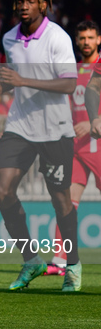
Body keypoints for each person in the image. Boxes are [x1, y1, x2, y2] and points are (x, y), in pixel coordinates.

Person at [0, 0, 80, 291]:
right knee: (2, 190)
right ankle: (31, 260)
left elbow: (68, 84)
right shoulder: (10, 37)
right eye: (19, 1)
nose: (23, 5)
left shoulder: (58, 38)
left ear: (42, 4)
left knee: (60, 200)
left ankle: (73, 265)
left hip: (55, 128)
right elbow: (14, 78)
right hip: (21, 125)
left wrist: (22, 80)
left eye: (29, 1)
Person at [45, 20, 101, 276]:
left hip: (97, 144)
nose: (86, 42)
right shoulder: (71, 71)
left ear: (98, 40)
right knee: (66, 201)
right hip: (75, 145)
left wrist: (92, 123)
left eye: (91, 37)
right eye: (82, 38)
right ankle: (59, 259)